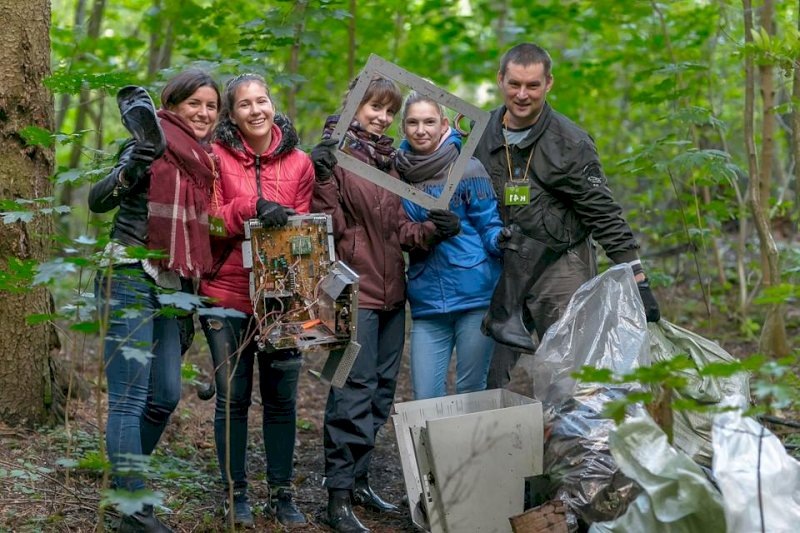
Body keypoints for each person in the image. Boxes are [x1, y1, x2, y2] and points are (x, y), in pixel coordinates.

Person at [310, 77, 456, 533]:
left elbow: (396, 232)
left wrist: (433, 229)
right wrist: (318, 172)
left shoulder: (389, 164)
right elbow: (324, 227)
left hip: (394, 296)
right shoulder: (334, 158)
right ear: (353, 104)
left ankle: (359, 481)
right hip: (353, 295)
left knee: (380, 393)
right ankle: (335, 499)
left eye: (388, 111)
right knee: (350, 392)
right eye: (374, 107)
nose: (382, 117)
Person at [473, 42, 661, 389]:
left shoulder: (570, 143)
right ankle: (511, 437)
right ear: (500, 80)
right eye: (514, 84)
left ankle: (576, 438)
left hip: (561, 264)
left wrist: (637, 278)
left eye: (533, 85)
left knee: (568, 367)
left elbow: (604, 214)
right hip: (506, 263)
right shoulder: (481, 133)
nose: (523, 94)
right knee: (501, 372)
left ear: (548, 84)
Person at [89, 69, 221, 532]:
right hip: (128, 274)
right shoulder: (150, 139)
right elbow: (96, 199)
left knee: (164, 395)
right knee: (128, 399)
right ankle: (134, 509)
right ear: (173, 104)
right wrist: (134, 166)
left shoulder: (206, 160)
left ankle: (125, 492)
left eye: (211, 105)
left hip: (172, 287)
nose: (203, 112)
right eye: (194, 104)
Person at [198, 73, 314, 529]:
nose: (255, 110)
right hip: (225, 294)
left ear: (273, 104)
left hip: (282, 299)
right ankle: (235, 494)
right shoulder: (213, 156)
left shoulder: (300, 162)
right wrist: (250, 207)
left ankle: (282, 494)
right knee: (233, 397)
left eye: (261, 101)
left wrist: (289, 223)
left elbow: (306, 232)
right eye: (244, 105)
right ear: (232, 114)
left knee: (282, 400)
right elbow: (206, 222)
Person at [395, 91, 504, 400]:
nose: (421, 130)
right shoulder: (397, 174)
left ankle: (467, 451)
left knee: (471, 390)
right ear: (403, 127)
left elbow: (489, 224)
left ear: (444, 124)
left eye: (429, 122)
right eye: (413, 122)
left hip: (474, 295)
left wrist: (501, 242)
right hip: (427, 301)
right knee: (425, 396)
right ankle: (432, 451)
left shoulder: (468, 168)